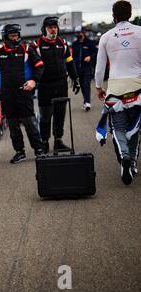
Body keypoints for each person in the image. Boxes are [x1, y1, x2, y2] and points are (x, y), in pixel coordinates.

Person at [0, 24, 45, 163]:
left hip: (24, 93)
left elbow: (40, 65)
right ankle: (19, 152)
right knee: (13, 125)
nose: (15, 38)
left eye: (17, 35)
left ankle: (39, 150)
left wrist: (34, 80)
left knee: (30, 123)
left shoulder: (27, 49)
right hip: (6, 95)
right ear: (5, 37)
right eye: (12, 36)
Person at [95, 0, 141, 185]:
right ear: (130, 14)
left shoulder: (106, 36)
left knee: (118, 127)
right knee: (135, 126)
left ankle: (124, 158)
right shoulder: (140, 32)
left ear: (113, 16)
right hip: (137, 87)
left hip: (115, 89)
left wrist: (99, 87)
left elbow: (99, 69)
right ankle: (133, 162)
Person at [32, 16, 80, 154]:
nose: (53, 30)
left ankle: (58, 141)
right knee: (45, 116)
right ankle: (44, 142)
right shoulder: (36, 45)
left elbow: (70, 62)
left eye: (55, 27)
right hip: (45, 85)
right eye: (50, 27)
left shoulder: (63, 43)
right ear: (44, 29)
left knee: (60, 115)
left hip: (61, 84)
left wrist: (75, 78)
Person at [72, 26, 97, 111]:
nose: (78, 34)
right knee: (82, 86)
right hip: (78, 69)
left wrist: (90, 57)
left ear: (83, 32)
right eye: (77, 33)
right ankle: (85, 101)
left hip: (88, 68)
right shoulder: (74, 44)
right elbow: (73, 56)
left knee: (86, 85)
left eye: (79, 33)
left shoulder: (90, 43)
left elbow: (96, 53)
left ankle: (87, 102)